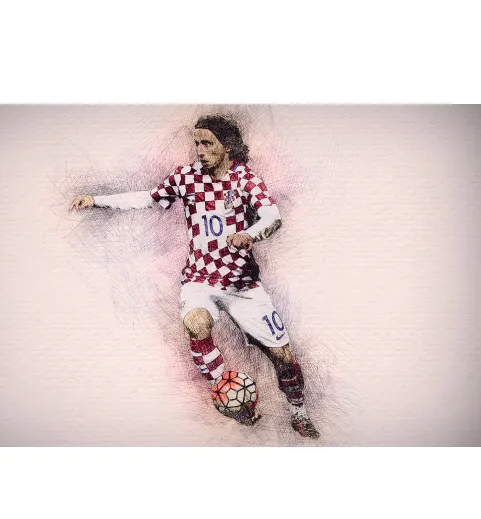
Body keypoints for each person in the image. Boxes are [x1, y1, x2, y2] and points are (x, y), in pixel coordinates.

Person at [70, 115, 319, 438]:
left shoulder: (245, 179)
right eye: (197, 143)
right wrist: (96, 200)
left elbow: (272, 216)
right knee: (196, 323)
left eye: (207, 143)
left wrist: (250, 234)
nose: (200, 150)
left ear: (227, 146)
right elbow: (148, 197)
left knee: (284, 358)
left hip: (242, 284)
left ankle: (298, 412)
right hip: (199, 280)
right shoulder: (186, 177)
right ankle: (227, 392)